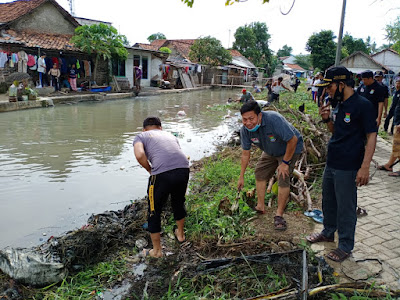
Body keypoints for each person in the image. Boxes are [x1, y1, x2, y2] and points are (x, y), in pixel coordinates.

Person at [306, 66, 377, 262]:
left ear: (341, 84)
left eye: (329, 86)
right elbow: (337, 132)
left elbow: (372, 135)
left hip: (349, 164)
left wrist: (365, 166)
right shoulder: (338, 103)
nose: (327, 90)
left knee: (346, 206)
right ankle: (328, 231)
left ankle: (345, 245)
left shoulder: (363, 105)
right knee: (329, 201)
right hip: (333, 160)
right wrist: (327, 119)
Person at [237, 101, 303, 230]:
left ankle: (279, 215)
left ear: (259, 116)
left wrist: (284, 163)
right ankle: (260, 206)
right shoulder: (245, 130)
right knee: (260, 173)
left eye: (251, 118)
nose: (248, 123)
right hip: (270, 150)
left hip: (290, 148)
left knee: (283, 176)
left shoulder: (274, 119)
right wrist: (241, 176)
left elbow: (293, 140)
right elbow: (245, 154)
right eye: (244, 119)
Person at [133, 116, 190, 258]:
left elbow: (140, 155)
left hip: (162, 174)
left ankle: (157, 251)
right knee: (178, 201)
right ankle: (181, 235)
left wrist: (149, 170)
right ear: (160, 127)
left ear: (144, 129)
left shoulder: (141, 136)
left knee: (154, 209)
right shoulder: (169, 135)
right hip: (183, 168)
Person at [379, 77, 400, 176]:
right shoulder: (397, 92)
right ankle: (389, 165)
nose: (397, 84)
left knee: (398, 147)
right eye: (397, 82)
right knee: (396, 147)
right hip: (397, 122)